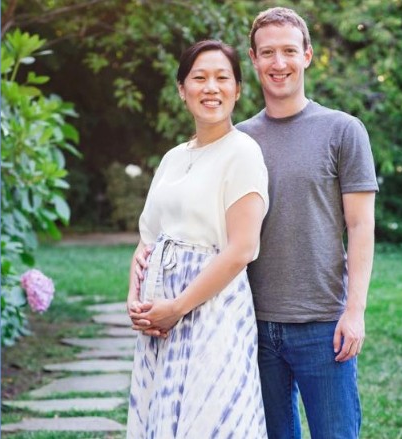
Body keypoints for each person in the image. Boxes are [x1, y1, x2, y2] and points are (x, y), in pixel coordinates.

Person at [235, 7, 378, 439]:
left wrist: (354, 312)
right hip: (252, 324)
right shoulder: (238, 140)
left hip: (324, 326)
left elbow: (361, 227)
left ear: (308, 55)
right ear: (253, 59)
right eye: (267, 53)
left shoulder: (343, 130)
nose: (279, 63)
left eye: (289, 51)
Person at [124, 39, 269, 439]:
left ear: (237, 90)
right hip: (160, 317)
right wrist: (136, 301)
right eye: (199, 78)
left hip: (212, 310)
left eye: (222, 78)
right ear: (181, 89)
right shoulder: (172, 158)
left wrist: (178, 307)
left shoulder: (243, 153)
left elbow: (242, 249)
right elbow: (148, 240)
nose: (211, 88)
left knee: (209, 421)